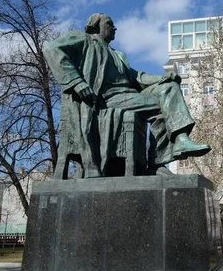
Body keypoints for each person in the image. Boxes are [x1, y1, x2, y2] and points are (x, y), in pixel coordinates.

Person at [44, 13, 210, 177]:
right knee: (160, 107)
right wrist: (76, 82)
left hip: (127, 95)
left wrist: (163, 78)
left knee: (169, 87)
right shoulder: (85, 40)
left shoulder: (118, 55)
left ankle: (176, 144)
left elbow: (137, 77)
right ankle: (158, 162)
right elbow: (51, 49)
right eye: (109, 23)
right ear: (96, 25)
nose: (114, 27)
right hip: (105, 98)